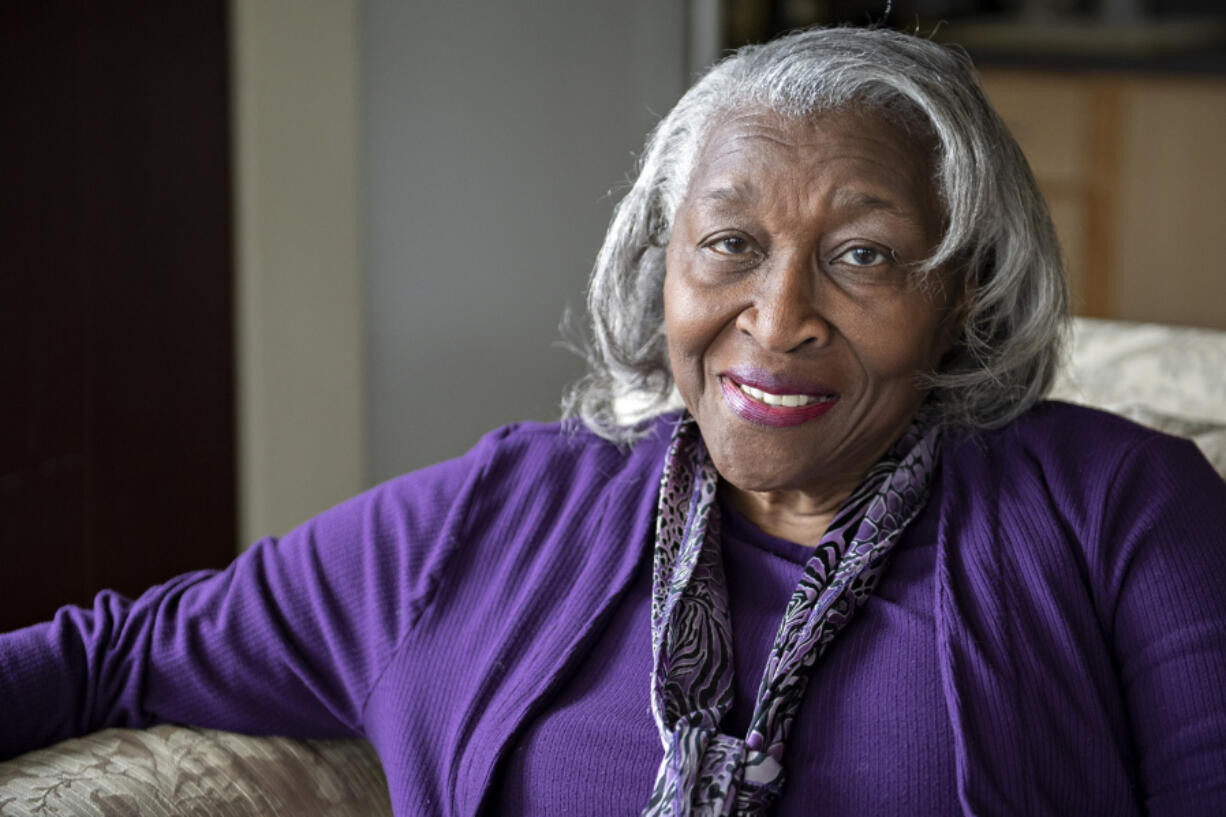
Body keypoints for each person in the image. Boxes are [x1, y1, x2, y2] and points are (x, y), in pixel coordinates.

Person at [3, 26, 1225, 817]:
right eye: (730, 245)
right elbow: (111, 653)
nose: (779, 314)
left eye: (862, 254)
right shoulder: (488, 520)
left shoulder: (1119, 507)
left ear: (961, 293)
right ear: (663, 270)